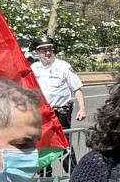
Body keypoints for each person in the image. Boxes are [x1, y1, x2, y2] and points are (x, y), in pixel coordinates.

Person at [30, 38, 86, 170]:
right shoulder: (34, 68)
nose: (48, 53)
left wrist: (82, 109)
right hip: (42, 112)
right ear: (38, 52)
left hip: (61, 111)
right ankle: (45, 174)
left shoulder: (63, 66)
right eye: (44, 50)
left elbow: (77, 89)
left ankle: (72, 174)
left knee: (63, 141)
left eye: (50, 49)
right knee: (42, 142)